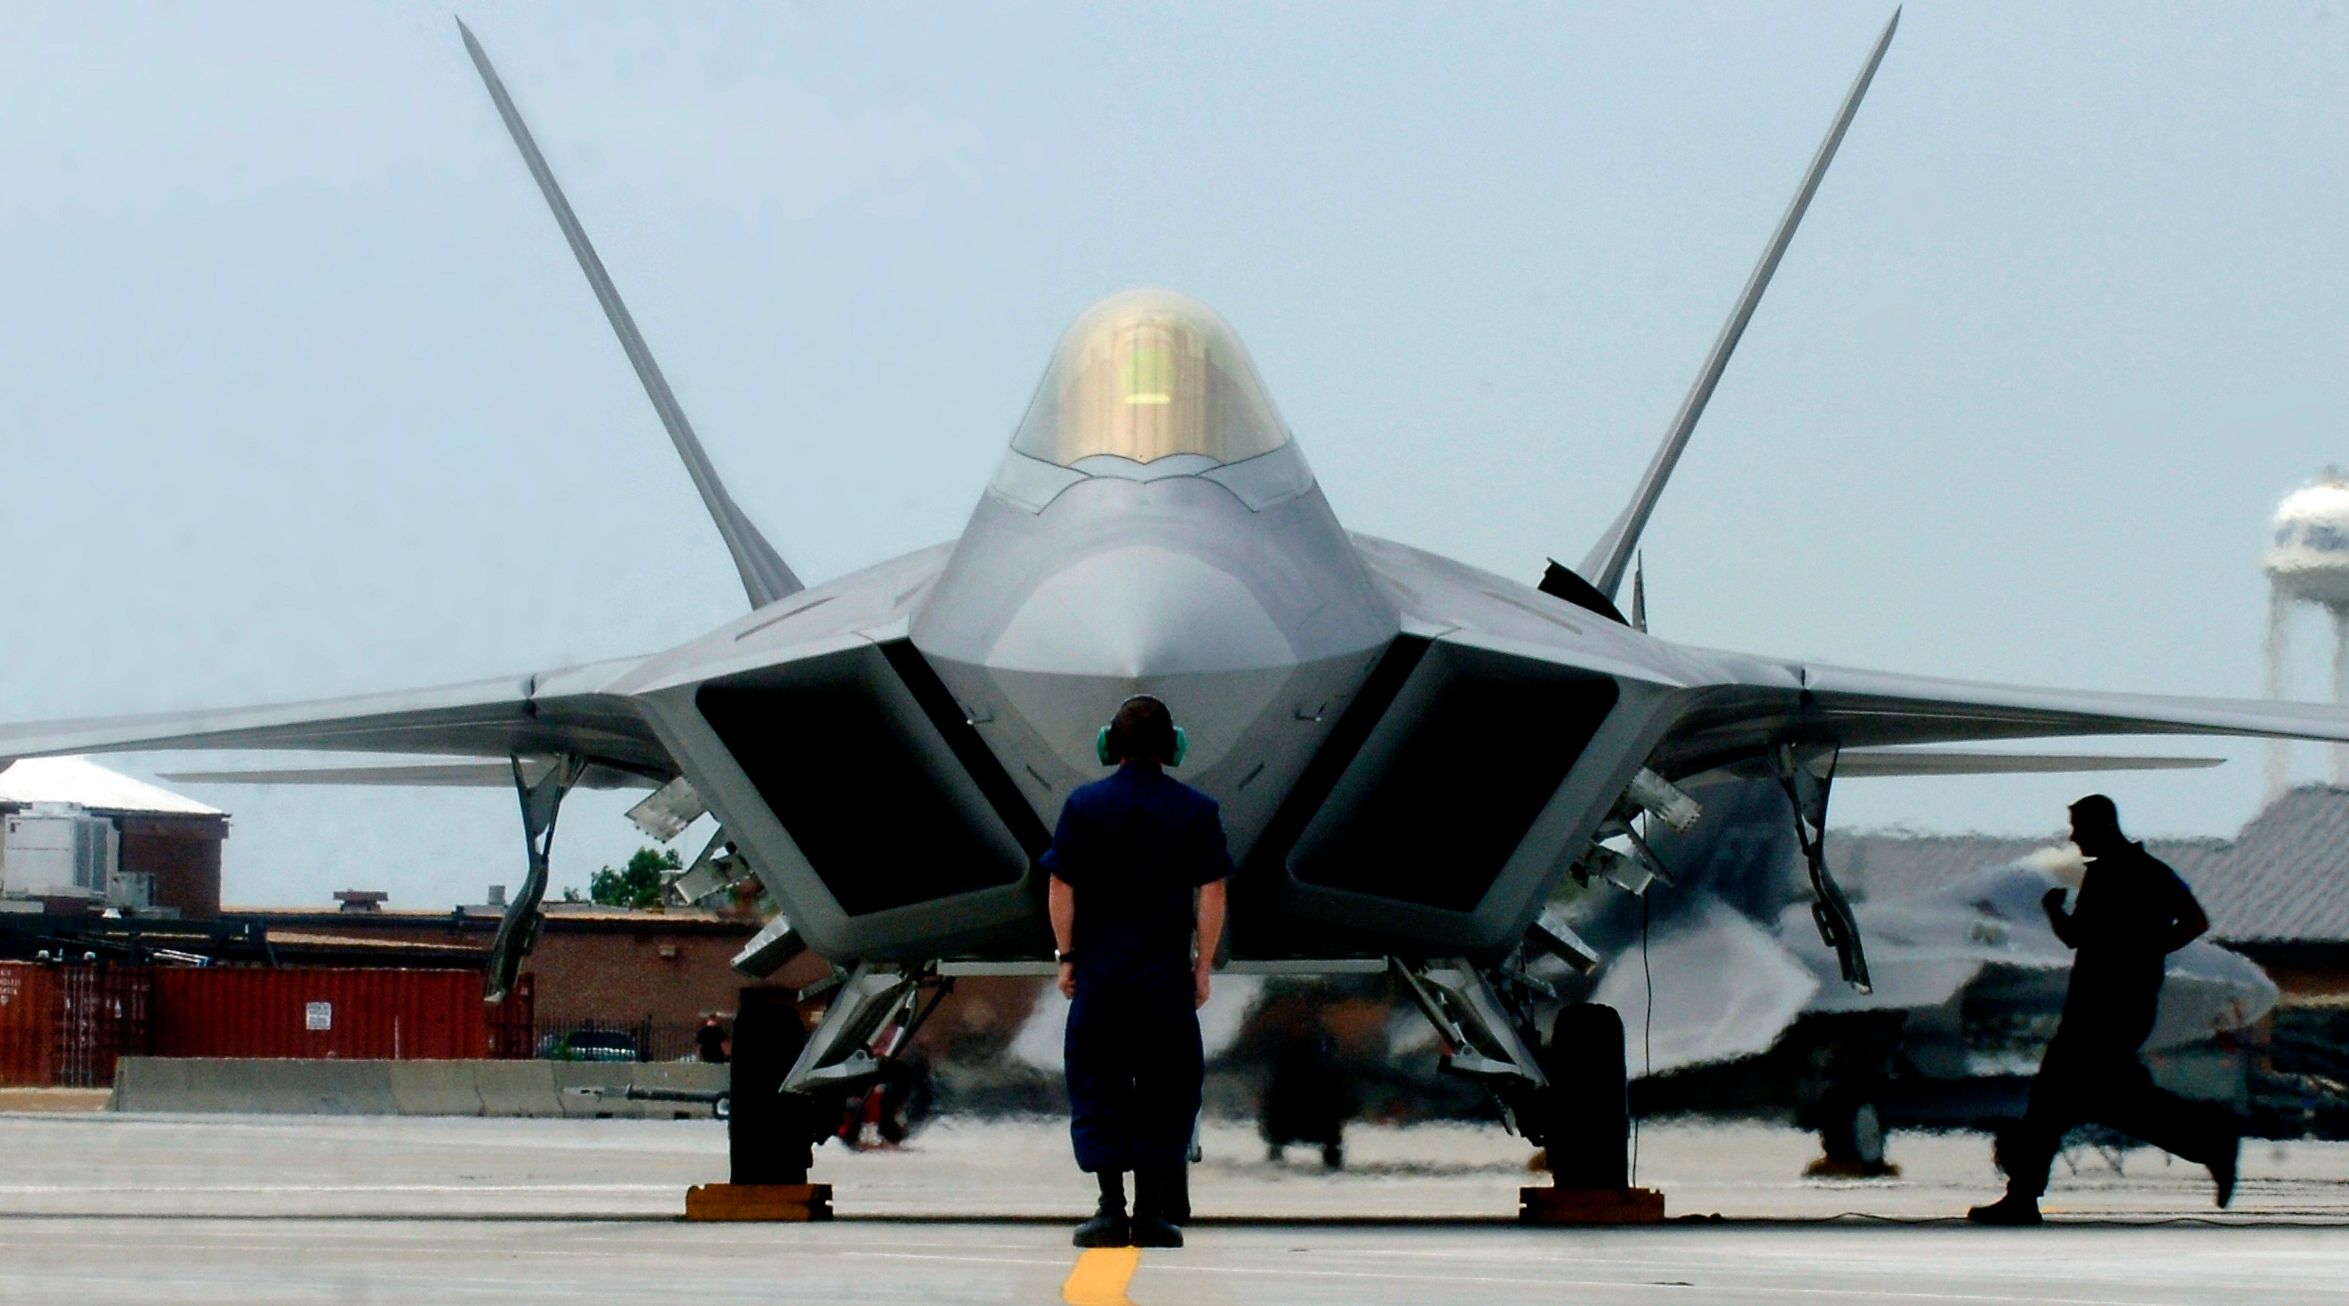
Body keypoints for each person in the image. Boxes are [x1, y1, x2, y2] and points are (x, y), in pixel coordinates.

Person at [1967, 794, 2242, 1225]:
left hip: (2104, 1010)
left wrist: (2060, 914)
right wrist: (2151, 952)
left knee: (2067, 1100)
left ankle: (2212, 1138)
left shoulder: (2120, 874)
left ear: (2099, 826)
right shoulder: (2145, 872)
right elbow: (2190, 922)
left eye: (2078, 827)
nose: (2073, 837)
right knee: (2094, 1101)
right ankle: (2210, 1140)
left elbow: (2082, 936)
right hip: (2115, 1007)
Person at [1045, 694, 1232, 1250]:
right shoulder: (1197, 810)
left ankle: (1109, 1210)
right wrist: (1202, 967)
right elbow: (1213, 891)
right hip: (1164, 981)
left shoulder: (1083, 805)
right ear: (1174, 747)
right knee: (1167, 1091)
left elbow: (1061, 886)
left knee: (1097, 1085)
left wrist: (1067, 958)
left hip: (1101, 979)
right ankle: (1151, 1214)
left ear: (1110, 745)